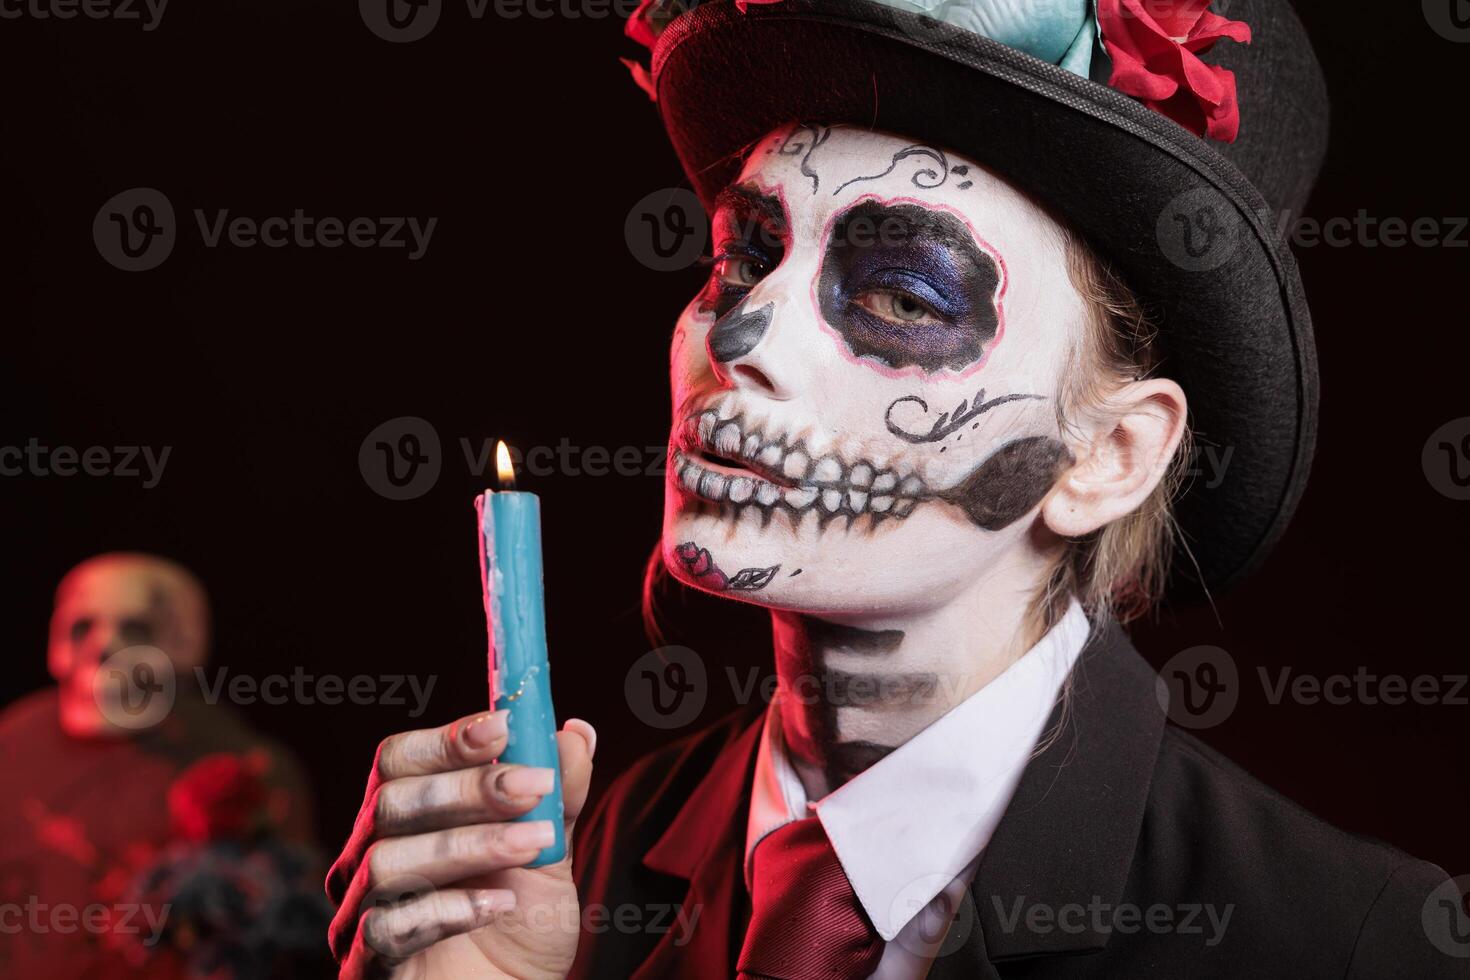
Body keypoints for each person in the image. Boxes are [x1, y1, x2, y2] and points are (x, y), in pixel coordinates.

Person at [325, 0, 1470, 977]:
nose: (743, 326)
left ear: (1108, 455)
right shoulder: (590, 859)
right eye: (744, 253)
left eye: (905, 295)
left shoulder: (1336, 944)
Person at [0, 553, 315, 977]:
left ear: (184, 645)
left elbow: (284, 931)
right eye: (81, 628)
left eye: (136, 630)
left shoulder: (242, 770)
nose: (104, 649)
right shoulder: (13, 750)